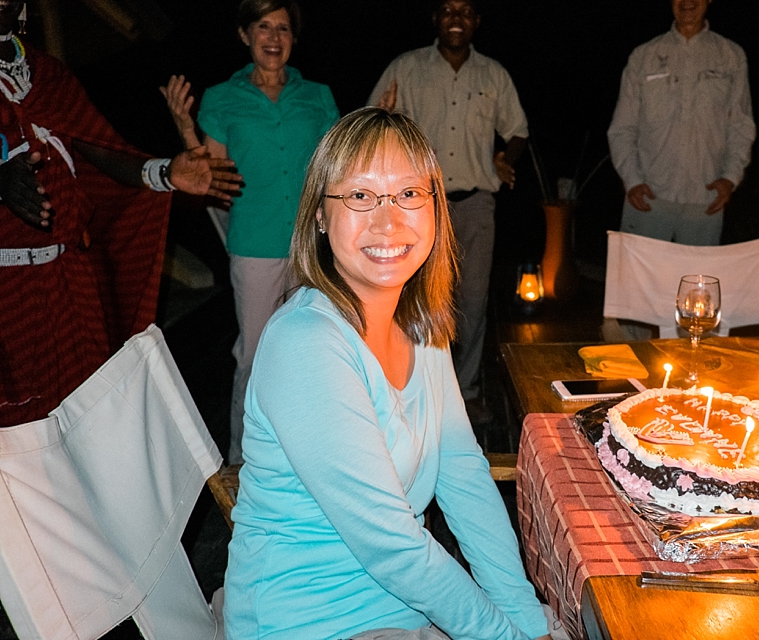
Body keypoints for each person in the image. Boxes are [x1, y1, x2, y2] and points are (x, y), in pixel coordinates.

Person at [222, 107, 549, 640]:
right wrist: (504, 635)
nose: (387, 221)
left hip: (405, 609)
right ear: (320, 216)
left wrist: (527, 619)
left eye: (408, 194)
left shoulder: (419, 322)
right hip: (308, 623)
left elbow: (462, 473)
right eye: (360, 195)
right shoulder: (307, 342)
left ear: (436, 206)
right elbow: (394, 548)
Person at [0, 1, 240, 427]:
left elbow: (97, 146)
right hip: (11, 290)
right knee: (26, 433)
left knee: (99, 410)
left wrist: (166, 173)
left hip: (71, 279)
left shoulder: (46, 73)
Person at [162, 0, 339, 463]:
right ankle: (244, 460)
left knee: (313, 351)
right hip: (255, 246)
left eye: (283, 28)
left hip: (312, 248)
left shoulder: (318, 95)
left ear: (294, 38)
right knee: (255, 356)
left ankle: (306, 455)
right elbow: (212, 176)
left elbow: (335, 170)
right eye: (263, 26)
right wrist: (184, 127)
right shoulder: (222, 98)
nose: (274, 37)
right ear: (245, 35)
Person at [368, 0, 528, 424]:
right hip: (419, 206)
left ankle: (467, 391)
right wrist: (385, 120)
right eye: (447, 10)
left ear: (477, 21)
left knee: (472, 302)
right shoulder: (406, 68)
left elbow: (518, 129)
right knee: (415, 299)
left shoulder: (493, 74)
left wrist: (504, 157)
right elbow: (373, 122)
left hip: (476, 205)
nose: (456, 19)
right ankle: (411, 391)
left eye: (466, 11)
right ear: (434, 18)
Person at [607, 0, 755, 246]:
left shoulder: (731, 56)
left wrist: (730, 177)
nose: (687, 1)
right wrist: (632, 180)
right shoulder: (643, 56)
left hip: (706, 198)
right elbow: (622, 128)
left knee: (698, 271)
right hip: (648, 197)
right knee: (642, 272)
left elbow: (740, 125)